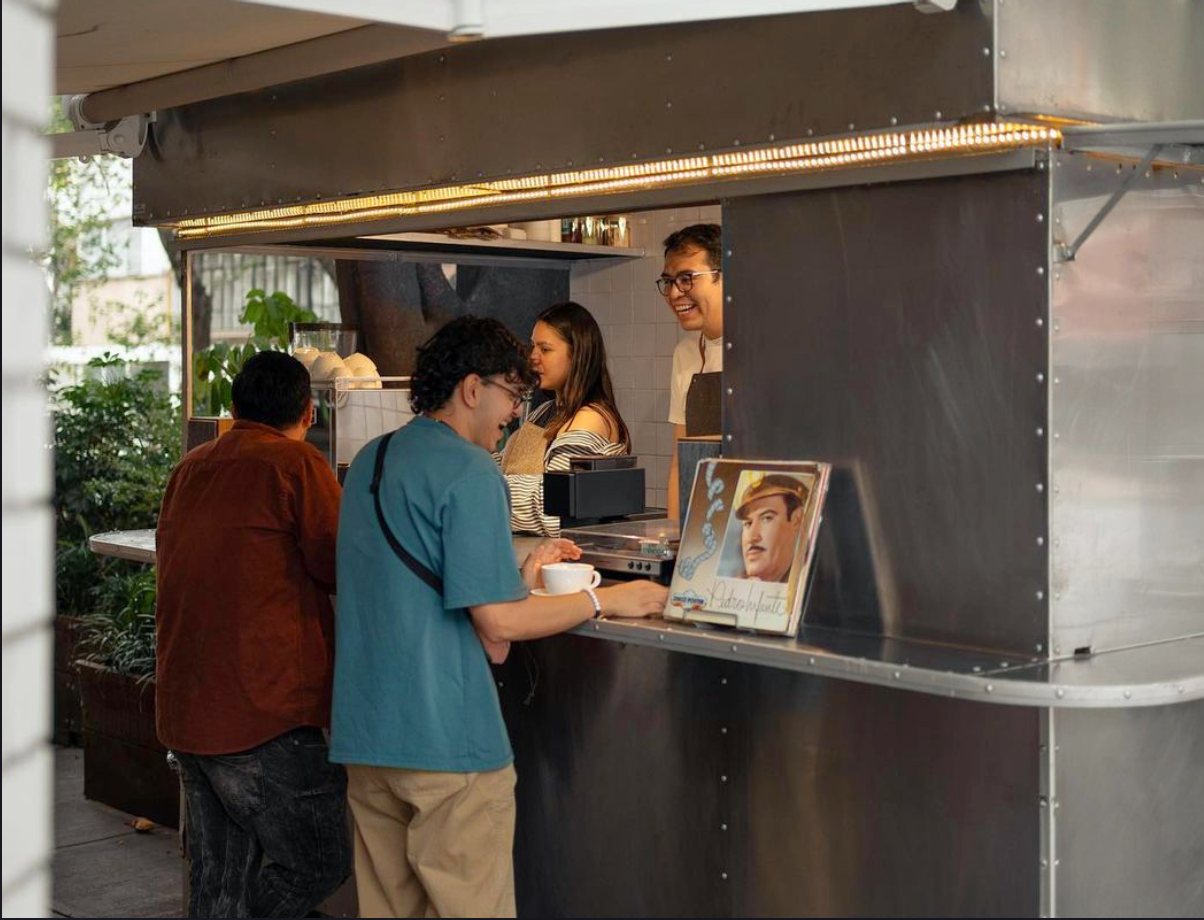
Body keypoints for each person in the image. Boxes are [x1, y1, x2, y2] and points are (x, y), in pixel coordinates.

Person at [330, 316, 667, 919]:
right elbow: (499, 631)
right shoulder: (470, 472)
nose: (515, 412)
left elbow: (434, 591)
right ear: (471, 388)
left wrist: (526, 574)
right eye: (512, 394)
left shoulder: (372, 464)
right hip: (447, 743)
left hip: (368, 737)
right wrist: (607, 599)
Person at [155, 350, 351, 918]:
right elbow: (341, 564)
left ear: (235, 407)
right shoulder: (296, 465)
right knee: (320, 860)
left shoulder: (189, 467)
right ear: (309, 412)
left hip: (187, 711)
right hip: (263, 714)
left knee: (218, 888)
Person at [501, 301, 631, 536]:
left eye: (545, 349)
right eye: (533, 347)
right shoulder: (545, 412)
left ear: (578, 354)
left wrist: (486, 491)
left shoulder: (590, 418)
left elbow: (555, 506)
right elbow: (502, 469)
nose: (533, 358)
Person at [657, 223, 724, 521]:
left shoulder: (765, 350)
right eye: (669, 281)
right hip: (705, 523)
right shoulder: (685, 354)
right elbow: (680, 464)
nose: (674, 293)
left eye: (687, 279)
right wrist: (675, 541)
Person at [734, 474, 810, 583]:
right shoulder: (736, 588)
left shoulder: (809, 584)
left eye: (766, 518)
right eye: (748, 523)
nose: (752, 537)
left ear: (796, 519)